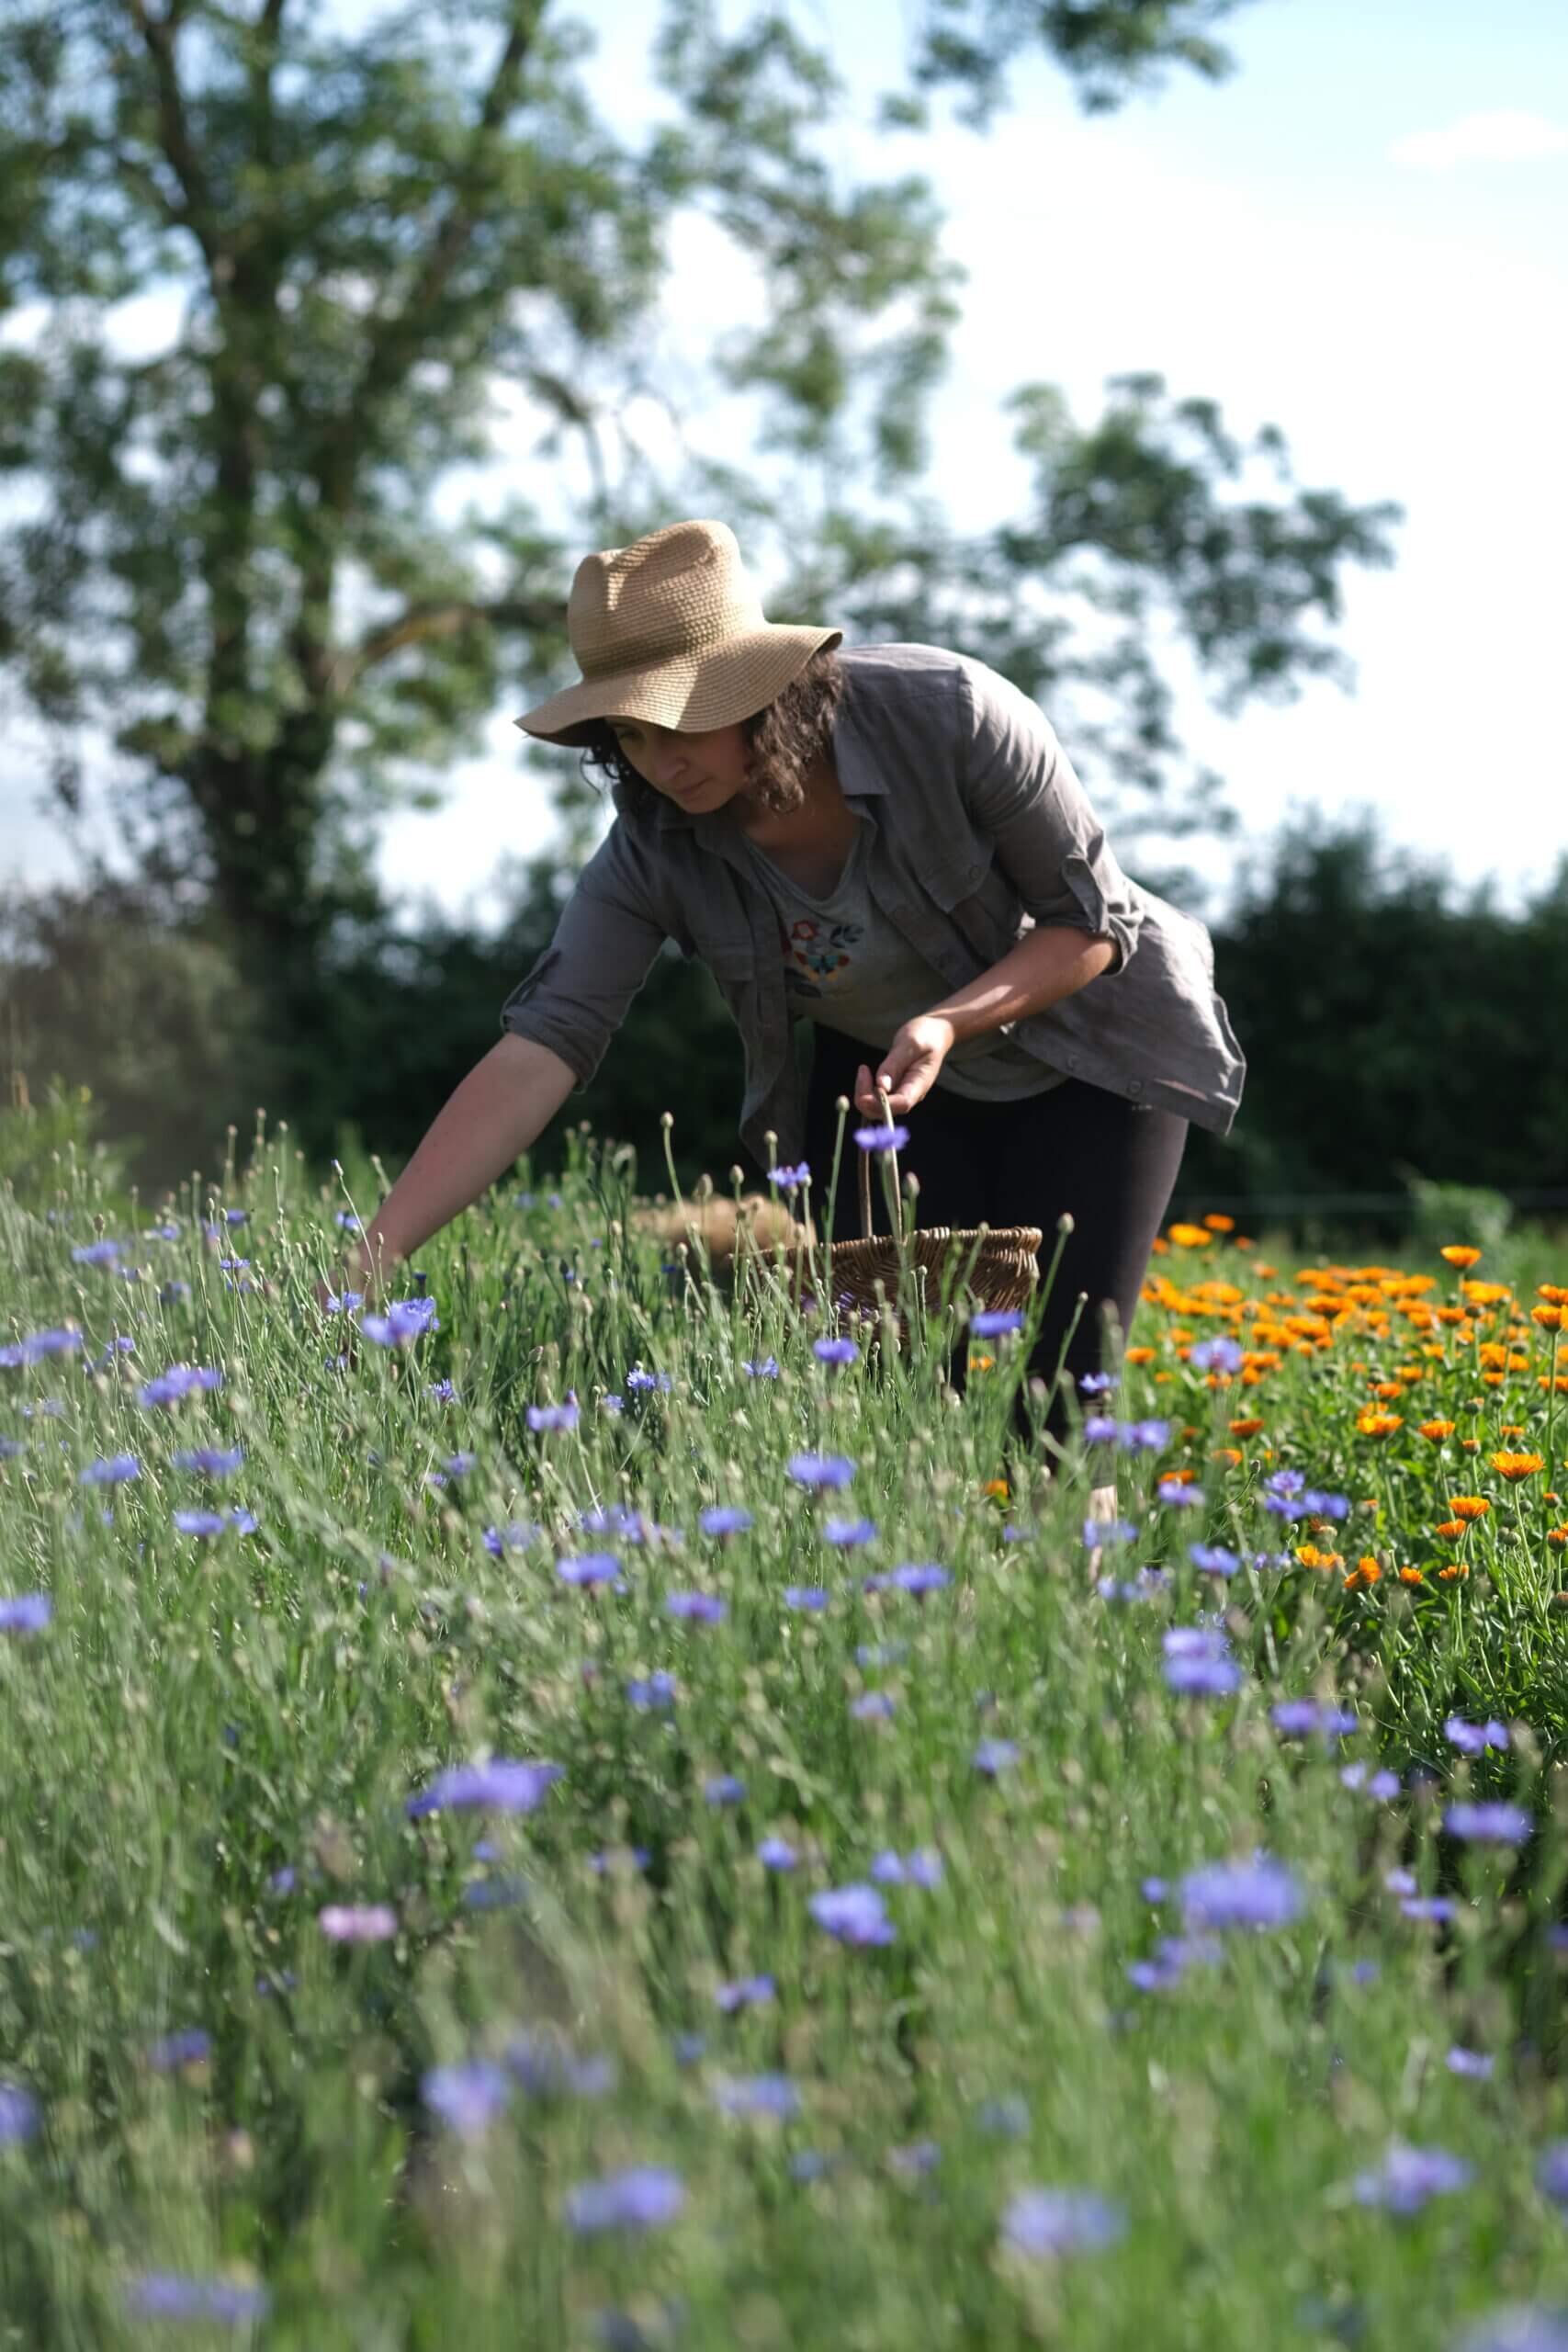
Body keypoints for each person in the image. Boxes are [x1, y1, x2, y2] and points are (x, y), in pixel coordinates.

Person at [325, 517, 1246, 1504]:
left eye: (681, 717)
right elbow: (543, 1044)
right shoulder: (650, 850)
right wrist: (370, 1260)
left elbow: (1090, 927)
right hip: (887, 1101)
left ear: (761, 686)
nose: (659, 760)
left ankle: (1084, 1623)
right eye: (630, 732)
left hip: (1095, 1061)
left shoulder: (956, 714)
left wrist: (947, 1022)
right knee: (887, 1413)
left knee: (1063, 1411)